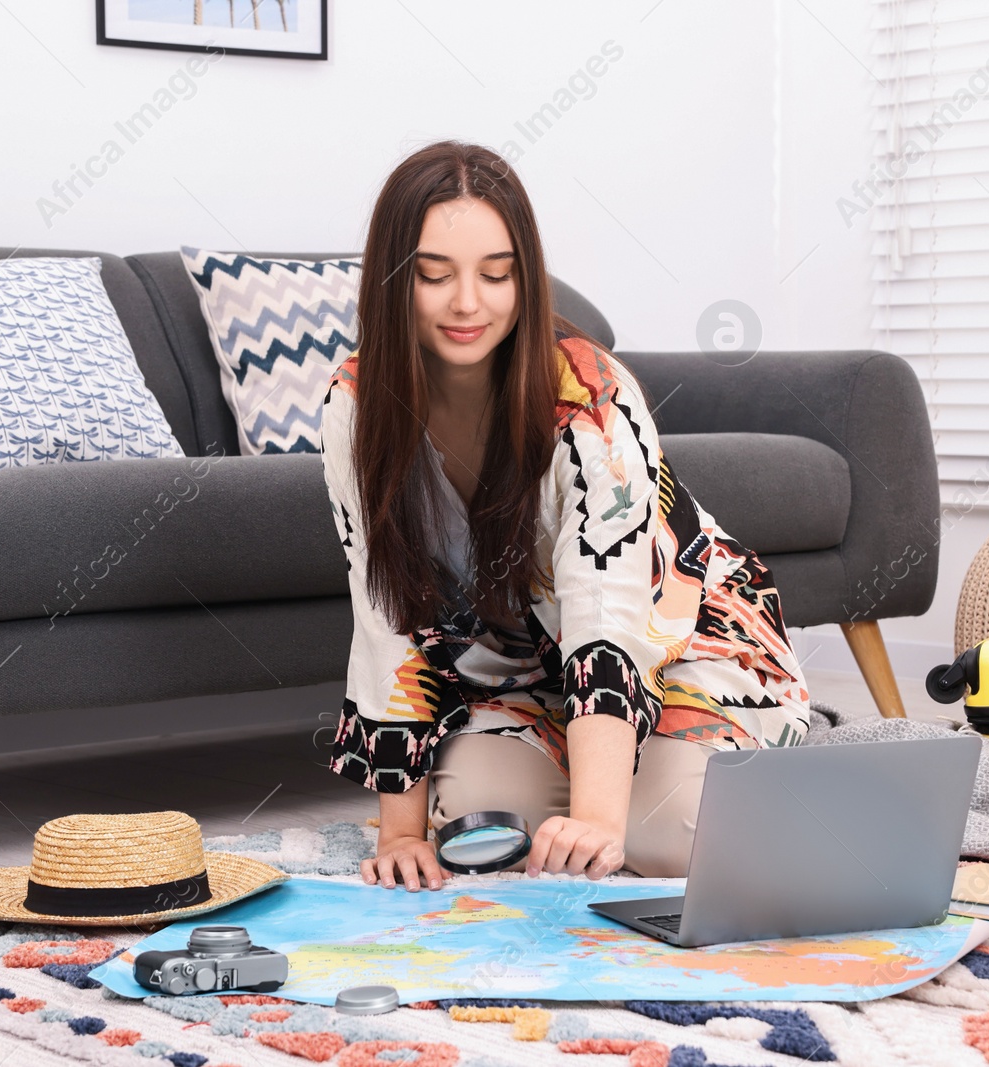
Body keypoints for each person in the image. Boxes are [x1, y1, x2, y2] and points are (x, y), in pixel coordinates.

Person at [321, 141, 810, 892]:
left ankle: (762, 746)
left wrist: (600, 825)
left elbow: (606, 617)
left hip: (680, 639)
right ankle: (645, 774)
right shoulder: (355, 408)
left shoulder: (590, 399)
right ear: (393, 278)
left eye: (496, 273)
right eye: (433, 275)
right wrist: (399, 832)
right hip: (522, 676)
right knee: (482, 826)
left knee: (666, 838)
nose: (467, 303)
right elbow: (384, 610)